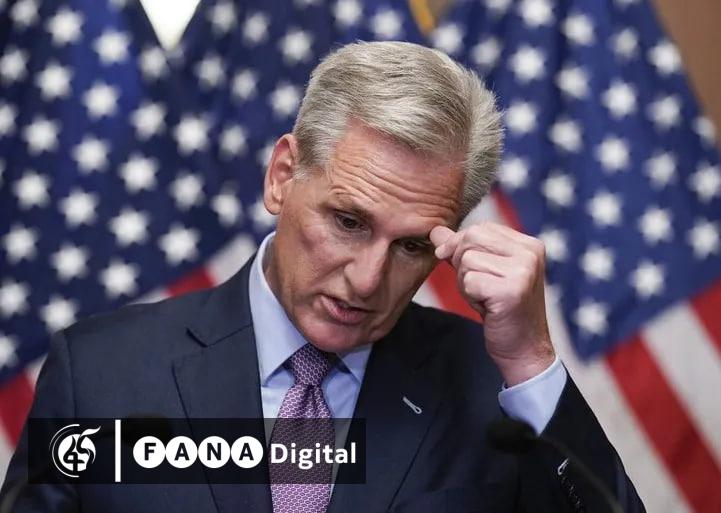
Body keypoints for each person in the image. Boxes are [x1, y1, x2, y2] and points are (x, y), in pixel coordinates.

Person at [0, 41, 645, 512]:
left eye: (411, 246)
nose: (367, 280)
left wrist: (531, 362)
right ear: (283, 176)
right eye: (349, 221)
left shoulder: (491, 389)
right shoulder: (99, 374)